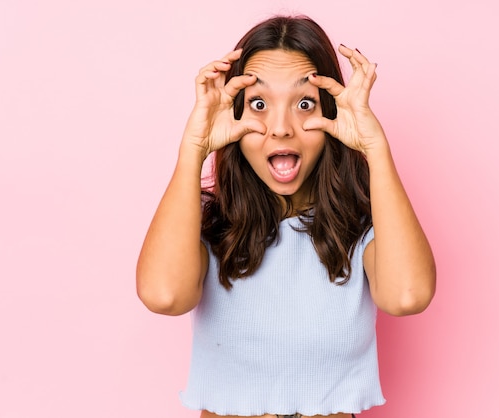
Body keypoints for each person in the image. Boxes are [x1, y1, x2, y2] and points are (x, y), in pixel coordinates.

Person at [136, 14, 436, 418]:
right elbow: (164, 295)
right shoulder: (206, 226)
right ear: (234, 116)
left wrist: (374, 147)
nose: (280, 128)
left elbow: (407, 296)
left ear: (332, 112)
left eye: (305, 103)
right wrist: (194, 147)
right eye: (259, 104)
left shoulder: (363, 230)